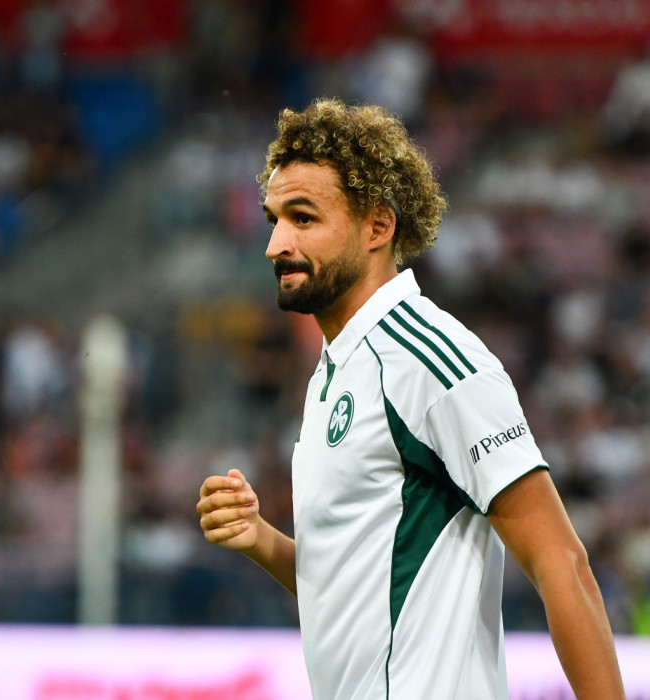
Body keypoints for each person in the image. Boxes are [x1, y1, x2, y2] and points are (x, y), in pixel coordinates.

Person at [195, 99, 625, 699]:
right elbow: (351, 591)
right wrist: (260, 537)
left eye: (303, 218)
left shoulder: (429, 358)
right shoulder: (334, 373)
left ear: (378, 227)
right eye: (274, 220)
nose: (275, 245)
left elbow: (563, 565)